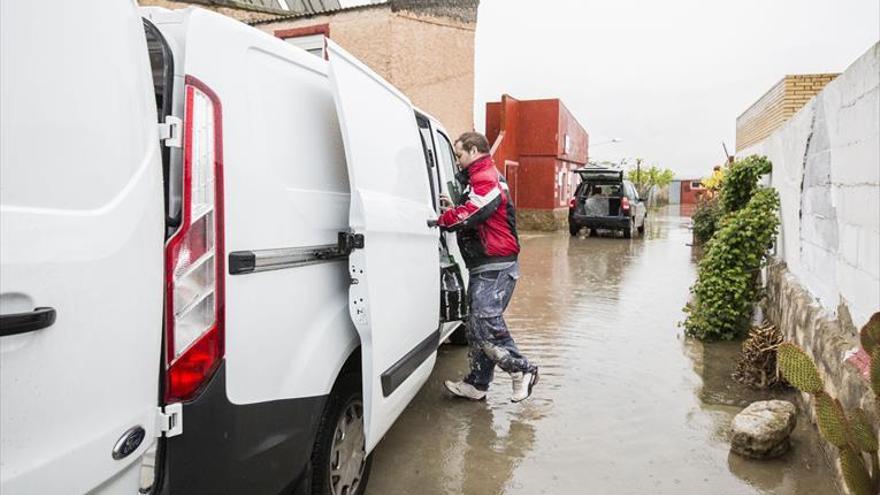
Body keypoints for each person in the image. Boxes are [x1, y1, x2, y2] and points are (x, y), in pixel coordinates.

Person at [437, 131, 538, 403]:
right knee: (475, 325)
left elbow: (473, 212)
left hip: (497, 265)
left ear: (473, 150)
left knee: (484, 321)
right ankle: (478, 384)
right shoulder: (478, 179)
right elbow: (475, 209)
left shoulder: (486, 178)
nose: (457, 161)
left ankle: (522, 370)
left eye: (458, 155)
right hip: (487, 265)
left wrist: (442, 219)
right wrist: (457, 205)